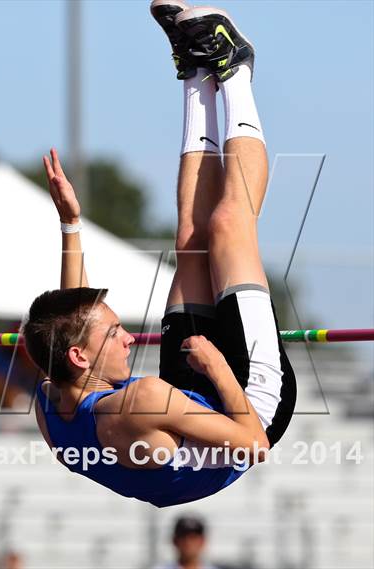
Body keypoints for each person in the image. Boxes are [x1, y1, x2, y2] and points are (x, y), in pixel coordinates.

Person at [23, 1, 296, 508]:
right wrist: (216, 368)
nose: (130, 336)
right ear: (82, 357)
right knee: (228, 225)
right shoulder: (136, 399)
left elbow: (68, 315)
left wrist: (71, 223)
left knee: (191, 238)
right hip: (251, 406)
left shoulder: (50, 399)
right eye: (115, 333)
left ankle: (196, 73)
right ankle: (235, 71)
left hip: (182, 409)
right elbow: (255, 444)